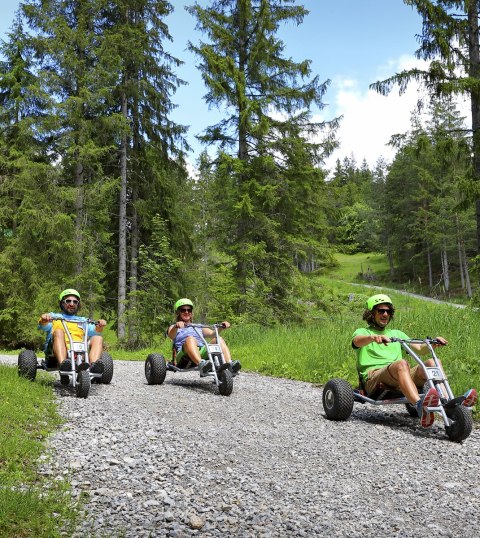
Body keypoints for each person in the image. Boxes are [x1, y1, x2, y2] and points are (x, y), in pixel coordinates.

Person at [352, 293, 477, 428]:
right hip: (374, 378)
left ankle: (449, 404)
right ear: (371, 313)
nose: (385, 314)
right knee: (401, 364)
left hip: (399, 375)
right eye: (381, 311)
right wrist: (372, 338)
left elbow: (419, 349)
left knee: (433, 363)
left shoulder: (396, 334)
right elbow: (357, 341)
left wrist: (433, 343)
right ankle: (419, 406)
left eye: (388, 311)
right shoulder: (362, 332)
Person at [167, 298, 241, 377]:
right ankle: (201, 364)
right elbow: (171, 335)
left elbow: (213, 334)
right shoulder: (174, 327)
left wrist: (221, 327)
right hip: (184, 354)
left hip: (201, 352)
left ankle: (230, 364)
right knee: (190, 338)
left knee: (218, 339)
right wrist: (176, 326)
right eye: (183, 310)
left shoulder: (198, 326)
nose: (186, 312)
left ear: (191, 312)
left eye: (189, 310)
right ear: (178, 312)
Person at [38, 288, 107, 373]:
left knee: (97, 338)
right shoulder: (54, 317)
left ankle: (94, 366)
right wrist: (44, 319)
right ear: (62, 303)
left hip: (79, 352)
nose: (71, 304)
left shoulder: (83, 320)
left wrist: (100, 325)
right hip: (54, 354)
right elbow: (43, 326)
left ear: (78, 304)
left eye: (75, 302)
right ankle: (63, 364)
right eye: (68, 301)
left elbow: (95, 331)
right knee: (59, 331)